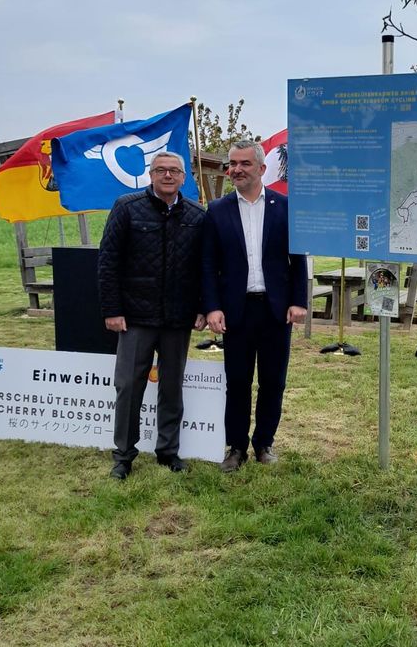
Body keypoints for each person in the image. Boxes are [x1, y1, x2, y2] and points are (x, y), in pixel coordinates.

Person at [98, 151, 206, 480]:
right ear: (151, 175)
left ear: (184, 178)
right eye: (161, 170)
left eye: (175, 171)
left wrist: (201, 307)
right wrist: (112, 310)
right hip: (135, 318)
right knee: (129, 386)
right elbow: (108, 262)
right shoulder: (127, 208)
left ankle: (168, 451)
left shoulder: (197, 215)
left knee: (171, 387)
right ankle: (124, 455)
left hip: (177, 319)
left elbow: (204, 268)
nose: (168, 176)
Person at [201, 139, 307, 472]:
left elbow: (297, 258)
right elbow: (208, 264)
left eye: (244, 163)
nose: (236, 169)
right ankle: (236, 447)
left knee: (273, 381)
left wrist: (299, 301)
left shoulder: (285, 206)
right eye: (232, 164)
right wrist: (213, 307)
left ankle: (264, 443)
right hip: (236, 311)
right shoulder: (217, 211)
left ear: (261, 168)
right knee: (238, 382)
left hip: (276, 310)